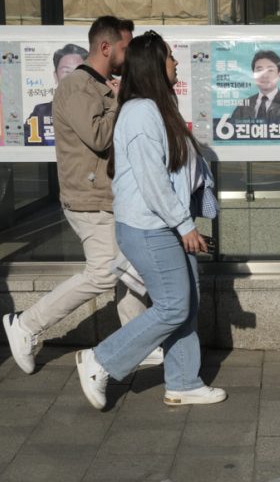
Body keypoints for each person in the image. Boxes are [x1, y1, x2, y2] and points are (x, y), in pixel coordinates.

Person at [74, 30, 226, 410]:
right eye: (171, 57)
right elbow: (152, 180)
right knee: (174, 305)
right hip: (150, 227)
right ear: (154, 66)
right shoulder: (141, 111)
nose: (176, 63)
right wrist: (184, 225)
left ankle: (183, 381)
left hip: (166, 223)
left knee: (186, 304)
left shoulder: (158, 107)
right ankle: (100, 360)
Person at [3, 16, 157, 375]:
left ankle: (137, 343)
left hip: (109, 196)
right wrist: (120, 100)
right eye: (124, 47)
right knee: (105, 272)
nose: (128, 53)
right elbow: (99, 137)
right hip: (88, 199)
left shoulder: (100, 84)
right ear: (106, 47)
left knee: (131, 270)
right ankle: (26, 325)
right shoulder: (76, 87)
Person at [24, 43, 88, 145]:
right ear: (55, 76)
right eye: (66, 71)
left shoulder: (97, 108)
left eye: (78, 71)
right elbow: (28, 143)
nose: (72, 77)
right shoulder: (41, 112)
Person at [230, 49, 280, 125]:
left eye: (270, 70)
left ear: (279, 74)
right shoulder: (243, 106)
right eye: (259, 70)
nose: (264, 75)